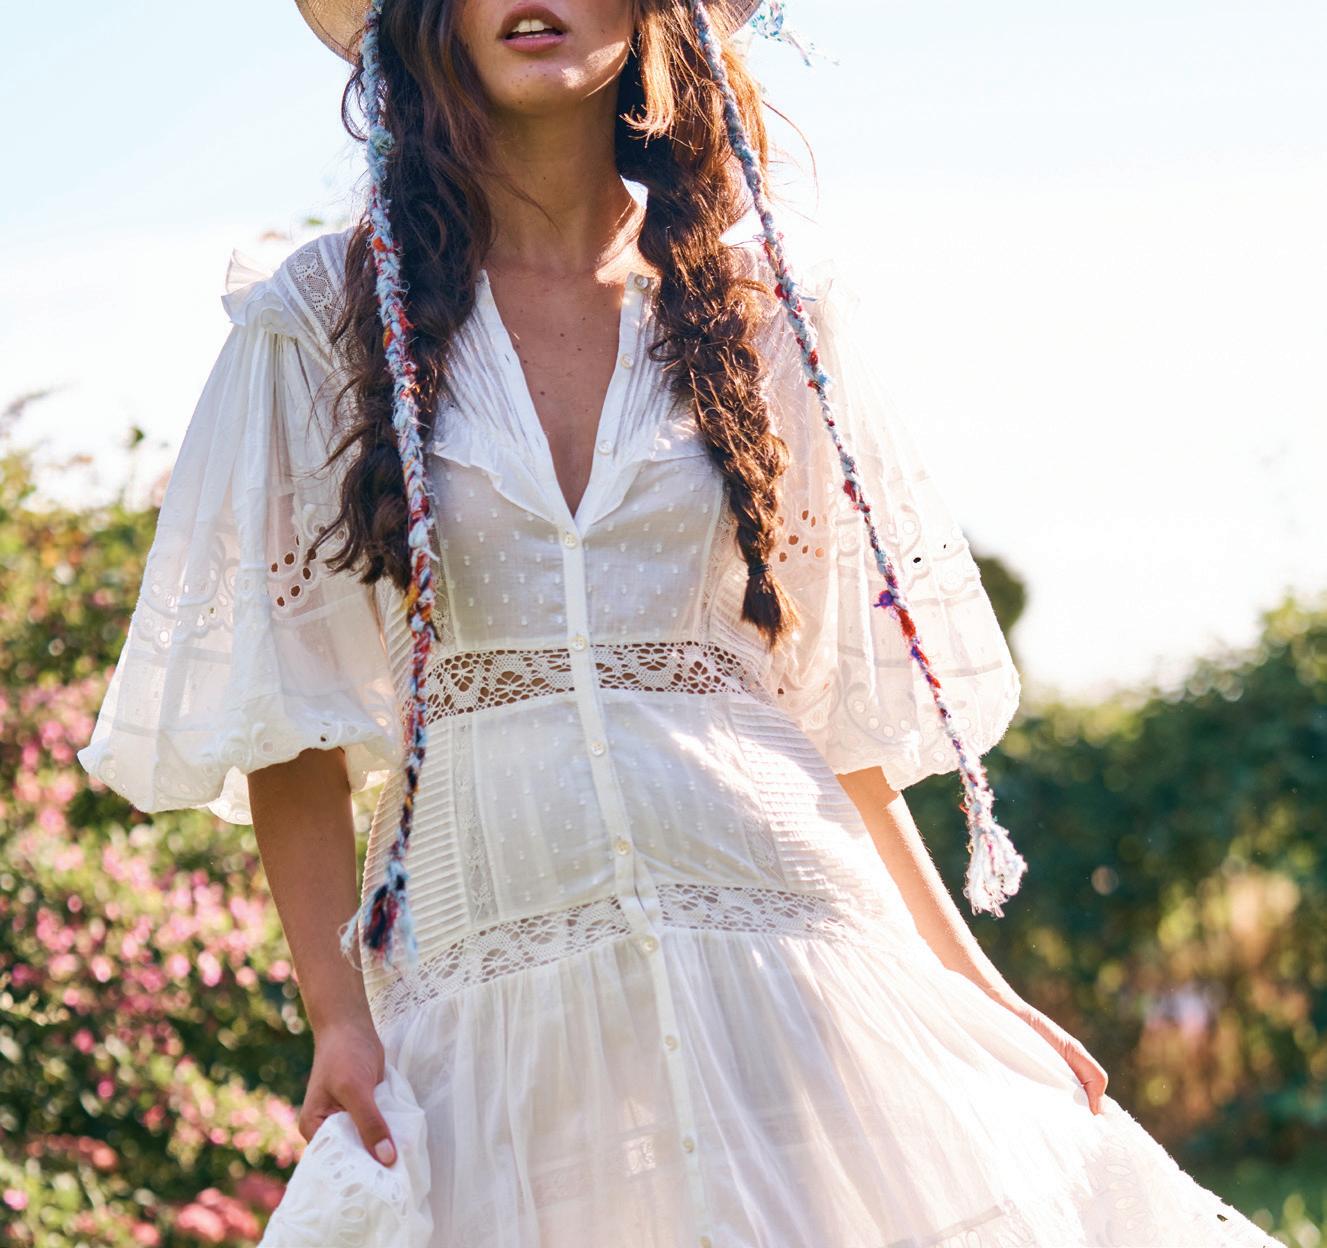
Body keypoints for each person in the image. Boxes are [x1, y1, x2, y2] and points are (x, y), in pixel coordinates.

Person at [78, 1, 1282, 1244]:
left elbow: (814, 703)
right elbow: (285, 713)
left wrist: (967, 979)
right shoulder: (322, 315)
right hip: (481, 970)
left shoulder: (765, 310)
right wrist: (339, 1017)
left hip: (783, 935)